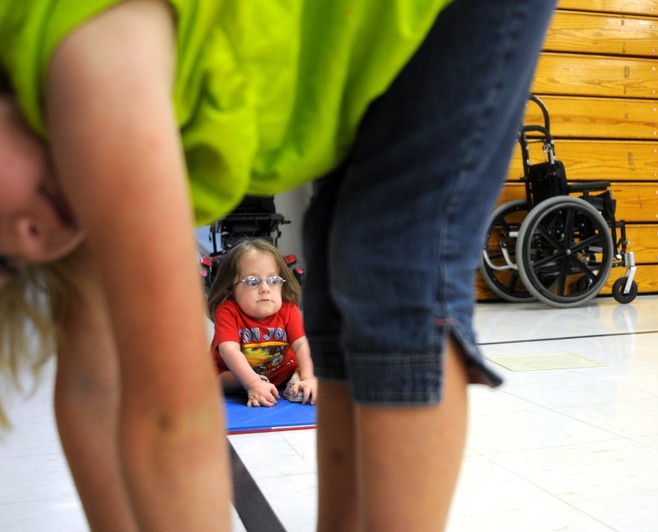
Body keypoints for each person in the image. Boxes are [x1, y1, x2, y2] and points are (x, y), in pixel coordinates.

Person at [0, 0, 557, 529]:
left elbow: (172, 415)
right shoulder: (48, 166)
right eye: (7, 265)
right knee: (342, 271)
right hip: (357, 37)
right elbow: (95, 385)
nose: (27, 246)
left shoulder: (90, 72)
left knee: (397, 271)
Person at [207, 239, 316, 406]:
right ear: (231, 289)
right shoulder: (228, 311)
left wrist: (308, 377)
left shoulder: (289, 309)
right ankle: (260, 382)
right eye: (253, 282)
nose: (265, 288)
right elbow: (229, 350)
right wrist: (252, 383)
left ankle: (296, 381)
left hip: (282, 371)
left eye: (273, 280)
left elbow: (302, 345)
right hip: (233, 373)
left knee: (307, 365)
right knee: (212, 382)